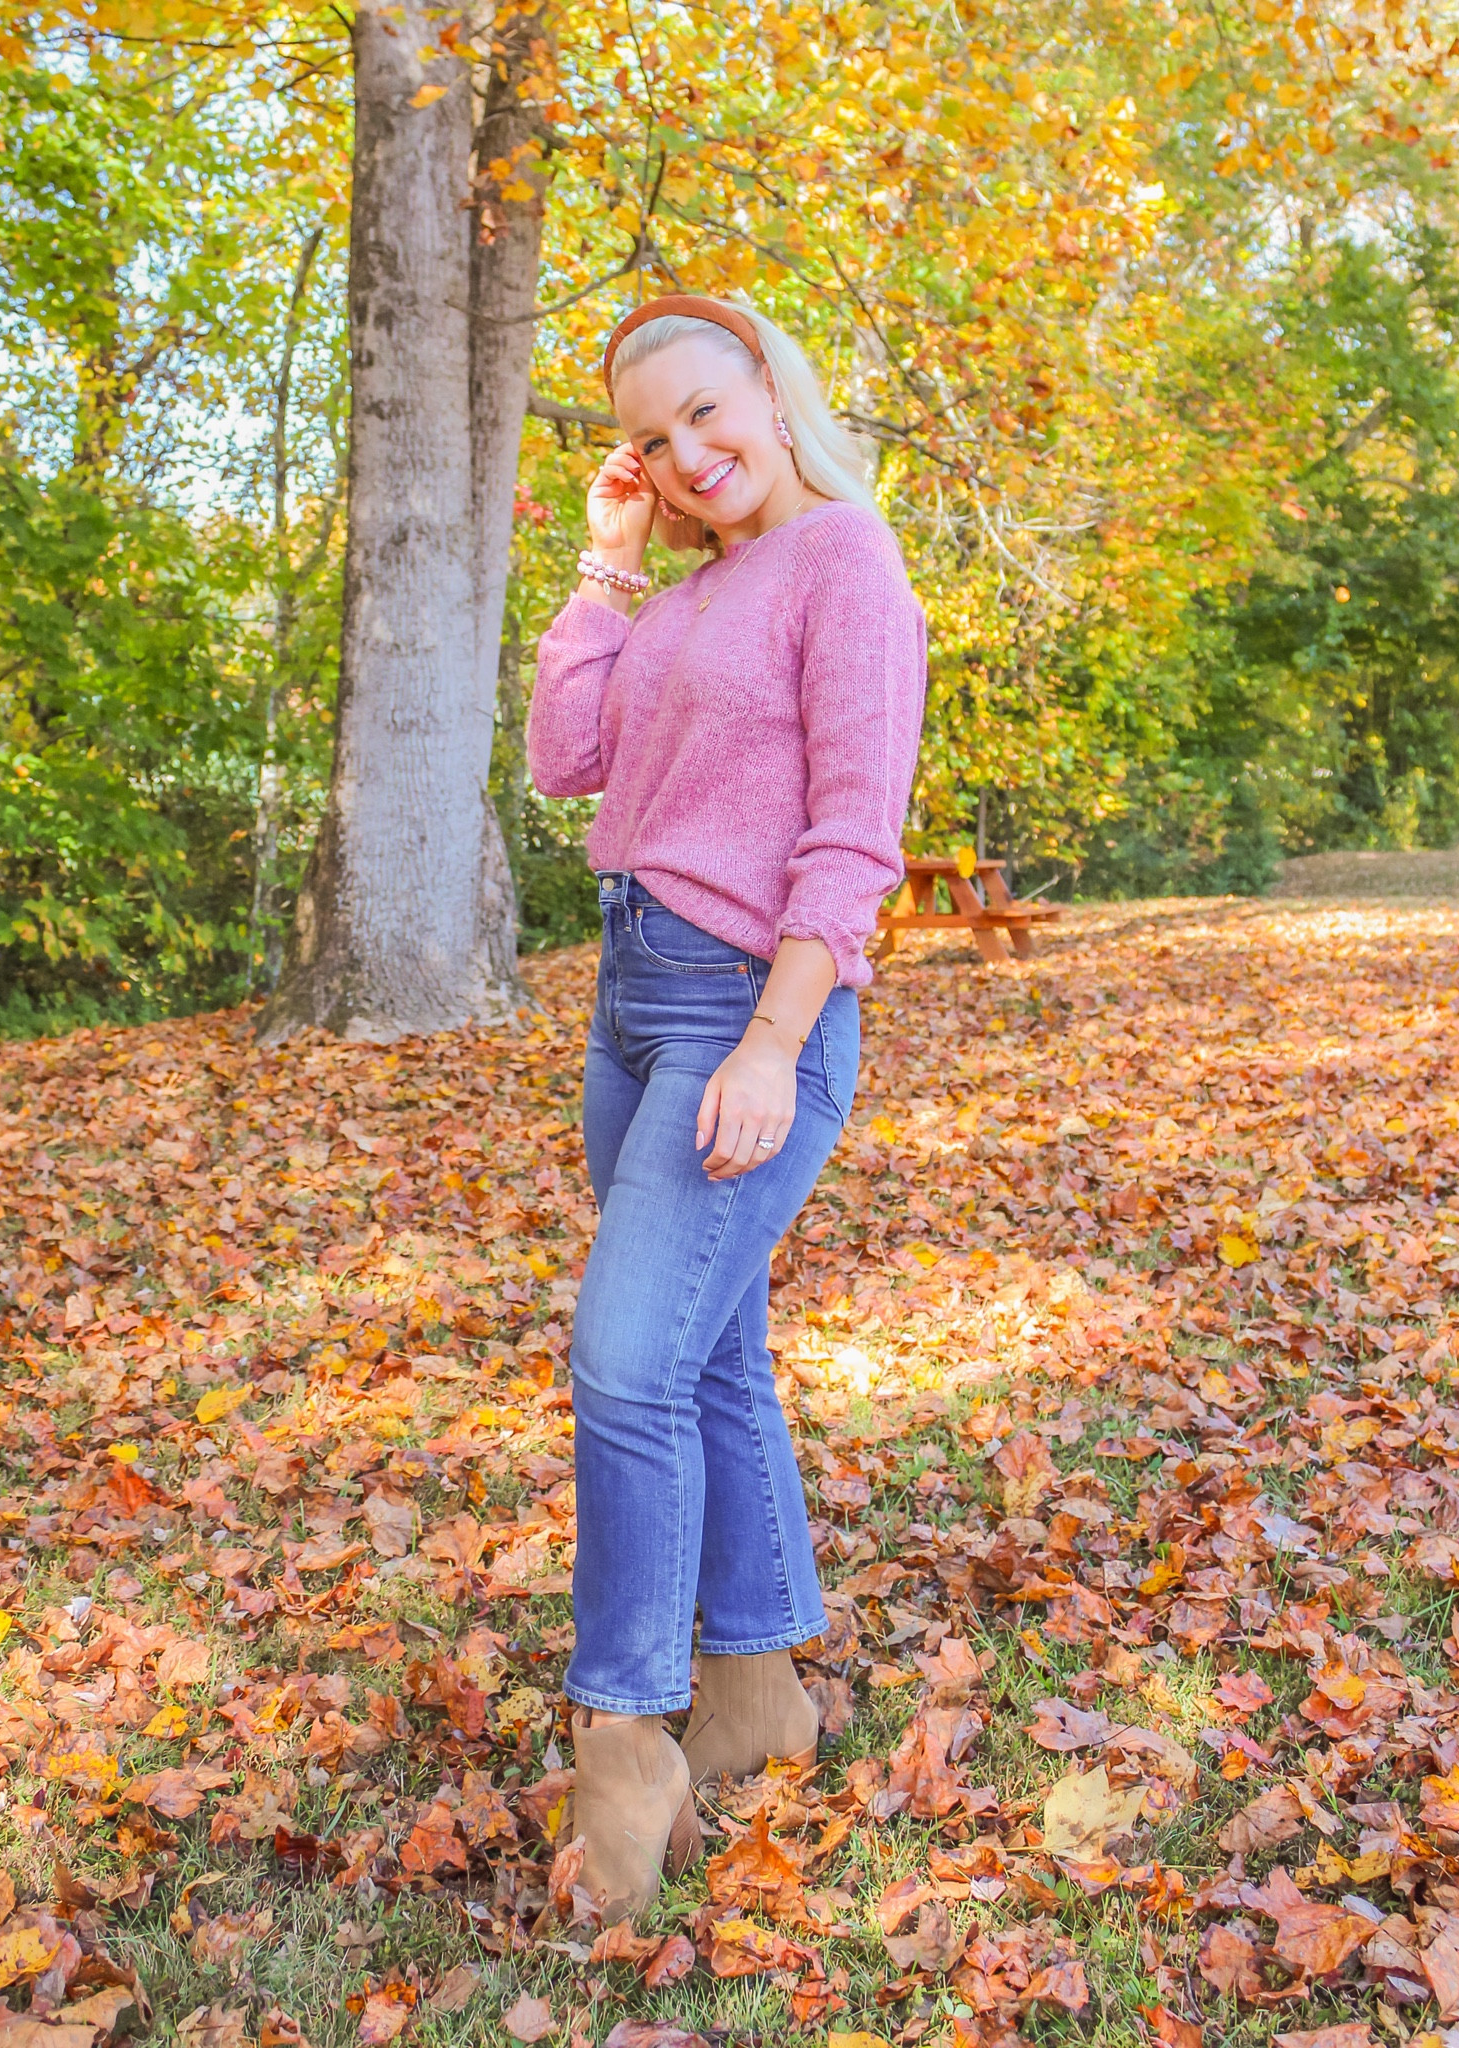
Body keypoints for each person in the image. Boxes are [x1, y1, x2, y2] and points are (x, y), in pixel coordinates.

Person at [527, 293, 926, 1922]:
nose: (687, 457)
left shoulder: (846, 560)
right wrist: (607, 561)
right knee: (705, 1356)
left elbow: (852, 839)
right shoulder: (693, 586)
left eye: (705, 414)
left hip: (743, 1014)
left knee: (622, 1362)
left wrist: (771, 1043)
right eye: (649, 443)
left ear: (769, 380)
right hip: (630, 1010)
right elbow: (566, 759)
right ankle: (758, 1692)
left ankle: (625, 1734)